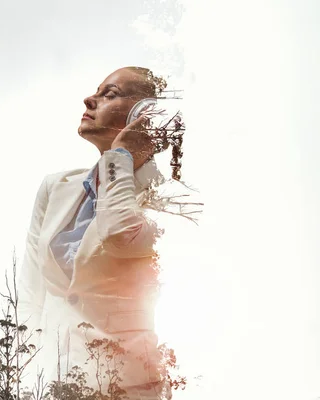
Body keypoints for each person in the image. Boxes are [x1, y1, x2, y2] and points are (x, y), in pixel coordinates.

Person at [17, 66, 201, 399]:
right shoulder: (54, 188)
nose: (90, 99)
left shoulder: (173, 200)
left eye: (109, 94)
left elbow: (119, 234)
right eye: (97, 91)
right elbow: (31, 292)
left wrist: (120, 157)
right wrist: (23, 374)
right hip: (49, 385)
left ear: (145, 114)